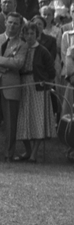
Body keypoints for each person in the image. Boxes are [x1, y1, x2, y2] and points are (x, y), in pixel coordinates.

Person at [16, 19, 56, 160]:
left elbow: (52, 71)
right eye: (27, 33)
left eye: (32, 33)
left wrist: (46, 82)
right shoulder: (20, 48)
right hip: (22, 86)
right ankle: (28, 151)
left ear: (37, 34)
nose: (29, 36)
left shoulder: (42, 51)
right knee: (22, 120)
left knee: (38, 120)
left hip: (38, 87)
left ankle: (34, 154)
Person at [0, 13, 28, 160]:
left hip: (10, 87)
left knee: (10, 124)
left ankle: (9, 154)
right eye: (10, 22)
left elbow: (18, 63)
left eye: (15, 23)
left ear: (20, 26)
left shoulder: (22, 45)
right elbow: (11, 62)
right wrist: (7, 61)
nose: (12, 25)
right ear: (5, 22)